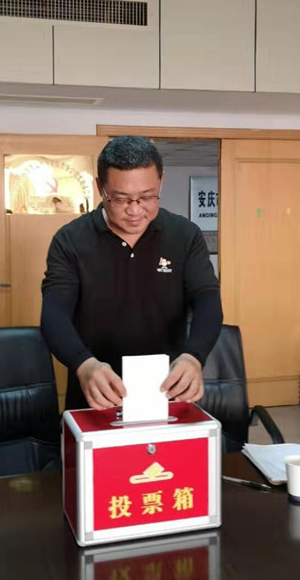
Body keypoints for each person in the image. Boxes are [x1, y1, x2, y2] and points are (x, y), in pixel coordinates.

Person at [41, 135, 223, 410]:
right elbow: (54, 315)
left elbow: (207, 299)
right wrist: (83, 364)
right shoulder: (70, 241)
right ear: (100, 187)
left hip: (167, 390)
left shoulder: (185, 236)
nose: (135, 210)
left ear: (161, 181)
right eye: (121, 199)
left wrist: (194, 357)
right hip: (97, 393)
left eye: (147, 197)